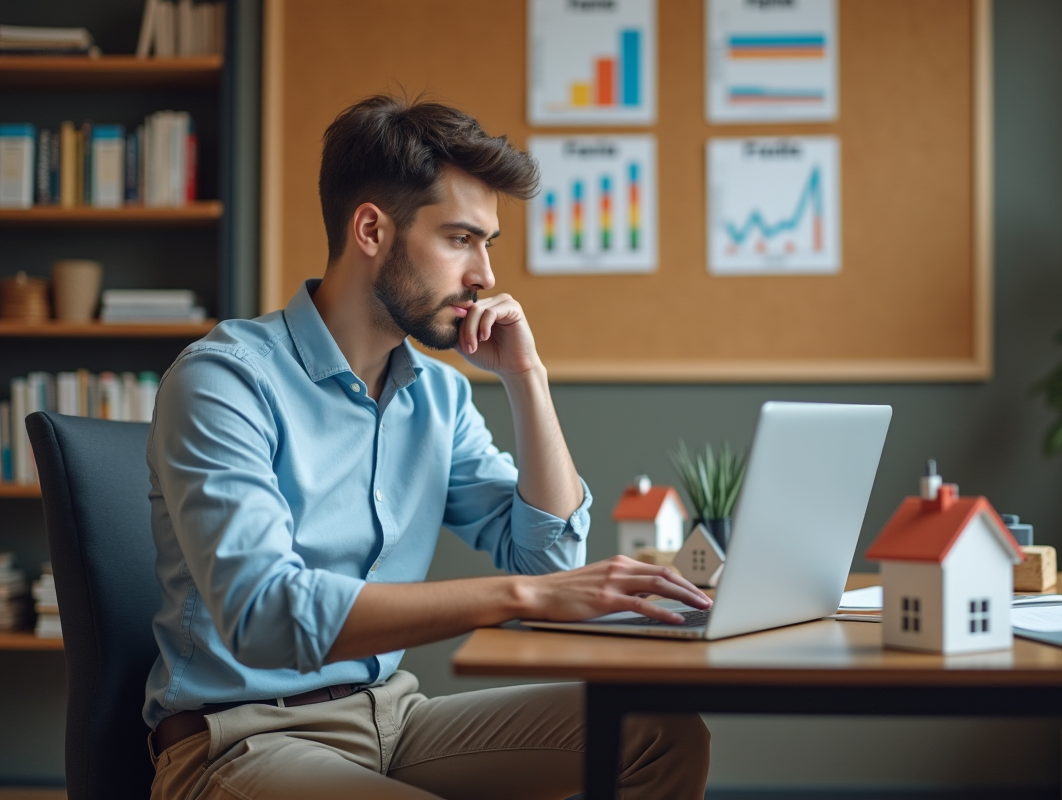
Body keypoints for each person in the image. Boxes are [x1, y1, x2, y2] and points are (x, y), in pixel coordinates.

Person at [143, 94, 713, 800]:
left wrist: (525, 379)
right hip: (241, 741)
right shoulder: (225, 381)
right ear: (372, 229)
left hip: (393, 719)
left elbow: (549, 555)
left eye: (487, 244)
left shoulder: (437, 396)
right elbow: (265, 615)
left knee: (659, 734)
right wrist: (523, 594)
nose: (485, 276)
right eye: (460, 239)